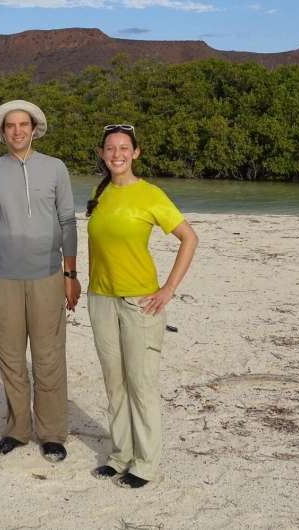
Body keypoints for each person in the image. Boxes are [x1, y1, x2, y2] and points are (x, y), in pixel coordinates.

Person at [86, 124, 198, 488]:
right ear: (103, 153)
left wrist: (168, 289)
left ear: (136, 153)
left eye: (124, 148)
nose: (116, 154)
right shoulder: (99, 193)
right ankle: (121, 455)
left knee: (141, 383)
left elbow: (189, 238)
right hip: (100, 298)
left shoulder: (150, 194)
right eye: (110, 148)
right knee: (114, 382)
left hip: (139, 303)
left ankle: (146, 464)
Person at [0, 100, 80, 462]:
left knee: (48, 355)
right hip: (3, 276)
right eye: (11, 126)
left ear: (34, 129)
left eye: (24, 125)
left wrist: (71, 274)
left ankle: (52, 433)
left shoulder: (55, 168)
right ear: (2, 132)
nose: (18, 131)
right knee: (9, 354)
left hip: (48, 275)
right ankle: (18, 430)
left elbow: (67, 220)